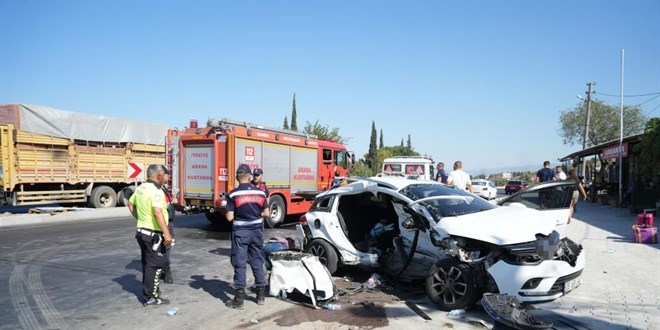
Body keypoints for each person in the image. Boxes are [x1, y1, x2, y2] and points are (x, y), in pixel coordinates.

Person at [127, 164, 173, 306]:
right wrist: (167, 234)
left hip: (142, 231)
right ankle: (151, 297)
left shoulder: (141, 188)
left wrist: (140, 219)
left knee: (148, 264)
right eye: (164, 174)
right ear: (158, 175)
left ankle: (150, 294)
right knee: (156, 265)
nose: (165, 177)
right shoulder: (156, 191)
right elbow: (158, 213)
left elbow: (130, 204)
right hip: (153, 235)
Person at [225, 164, 269, 309]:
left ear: (237, 177)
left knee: (240, 263)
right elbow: (266, 214)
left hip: (241, 232)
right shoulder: (261, 193)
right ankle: (261, 295)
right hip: (256, 231)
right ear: (249, 176)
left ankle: (239, 299)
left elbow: (229, 217)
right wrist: (255, 215)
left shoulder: (233, 194)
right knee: (257, 260)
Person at [160, 175, 179, 284]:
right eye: (166, 174)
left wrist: (172, 201)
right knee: (165, 247)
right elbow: (162, 206)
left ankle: (164, 270)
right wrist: (171, 202)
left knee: (167, 247)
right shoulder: (157, 190)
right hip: (165, 222)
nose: (168, 177)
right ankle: (166, 271)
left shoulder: (164, 188)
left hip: (169, 221)